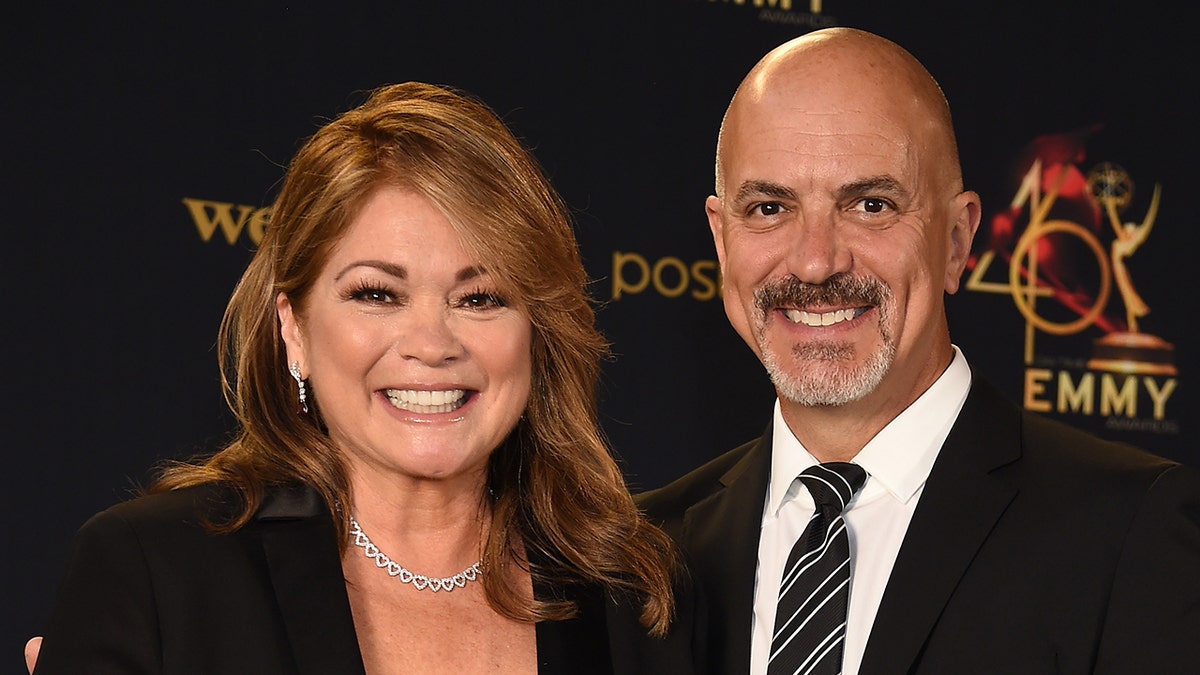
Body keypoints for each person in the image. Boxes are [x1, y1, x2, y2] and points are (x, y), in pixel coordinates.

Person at [31, 82, 701, 674]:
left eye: (480, 297)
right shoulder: (157, 573)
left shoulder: (631, 601)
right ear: (293, 328)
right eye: (378, 293)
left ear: (536, 331)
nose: (433, 344)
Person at [636, 26, 1200, 675]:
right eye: (768, 208)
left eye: (870, 204)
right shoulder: (645, 552)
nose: (816, 262)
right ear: (721, 238)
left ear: (957, 240)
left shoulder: (1132, 533)